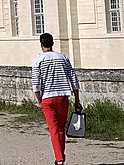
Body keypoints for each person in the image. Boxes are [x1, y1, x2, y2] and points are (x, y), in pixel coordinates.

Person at [32, 33, 82, 165]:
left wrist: (40, 100)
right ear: (52, 43)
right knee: (60, 128)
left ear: (41, 45)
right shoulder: (62, 58)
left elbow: (36, 85)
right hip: (62, 96)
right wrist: (77, 100)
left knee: (54, 130)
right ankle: (60, 156)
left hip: (47, 98)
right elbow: (73, 80)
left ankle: (59, 160)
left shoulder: (38, 60)